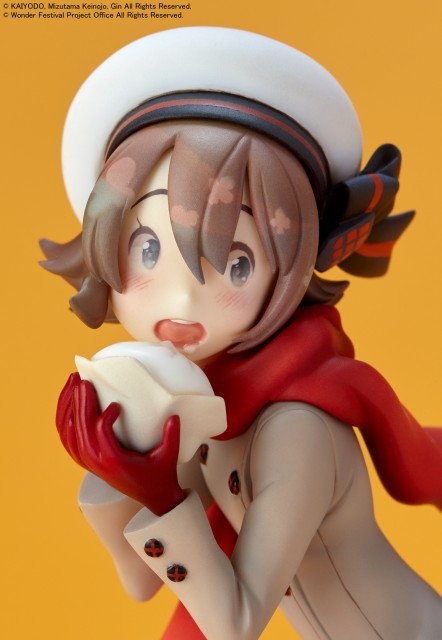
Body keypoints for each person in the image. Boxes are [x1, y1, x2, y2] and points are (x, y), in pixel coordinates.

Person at [41, 27, 442, 639]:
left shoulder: (296, 428)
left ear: (287, 271)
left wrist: (163, 496)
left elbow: (235, 621)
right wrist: (116, 468)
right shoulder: (210, 404)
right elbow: (142, 580)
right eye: (148, 249)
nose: (182, 301)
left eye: (236, 264)